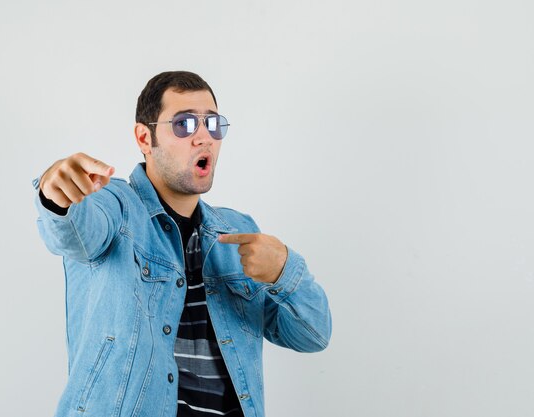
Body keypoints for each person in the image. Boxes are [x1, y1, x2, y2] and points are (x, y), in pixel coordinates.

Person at [33, 71, 332, 417]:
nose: (203, 137)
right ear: (145, 138)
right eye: (184, 125)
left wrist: (284, 270)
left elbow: (313, 335)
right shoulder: (114, 205)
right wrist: (56, 197)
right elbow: (73, 233)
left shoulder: (238, 231)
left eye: (213, 125)